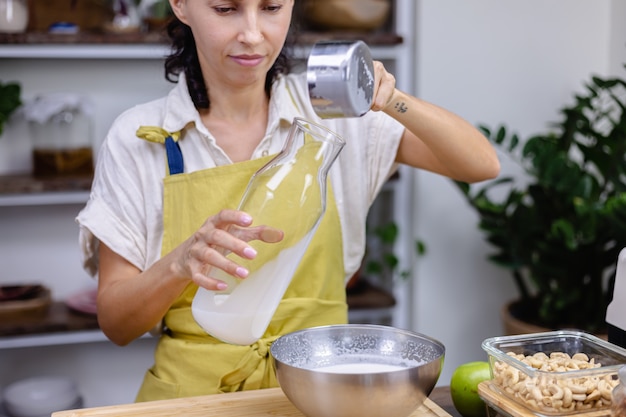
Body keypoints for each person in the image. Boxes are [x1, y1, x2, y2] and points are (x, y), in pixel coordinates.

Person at [76, 0, 500, 402]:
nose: (253, 34)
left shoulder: (333, 112)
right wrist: (179, 263)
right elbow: (116, 323)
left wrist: (390, 100)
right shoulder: (139, 135)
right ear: (181, 5)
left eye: (272, 7)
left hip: (322, 386)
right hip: (191, 393)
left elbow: (481, 164)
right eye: (226, 9)